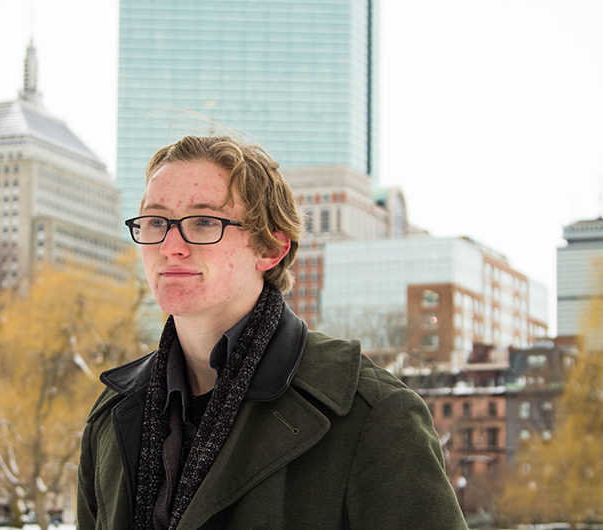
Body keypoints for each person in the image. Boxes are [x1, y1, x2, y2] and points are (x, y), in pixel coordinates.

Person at [76, 135, 467, 529]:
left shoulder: (371, 414)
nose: (170, 246)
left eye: (205, 221)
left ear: (272, 249)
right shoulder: (111, 416)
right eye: (157, 221)